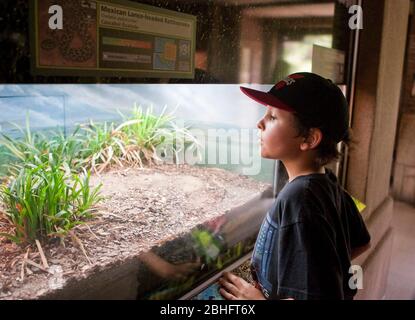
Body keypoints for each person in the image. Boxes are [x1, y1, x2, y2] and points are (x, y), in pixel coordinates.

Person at [218, 72, 371, 300]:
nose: (259, 123)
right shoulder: (326, 182)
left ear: (309, 139)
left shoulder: (299, 198)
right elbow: (362, 242)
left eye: (273, 117)